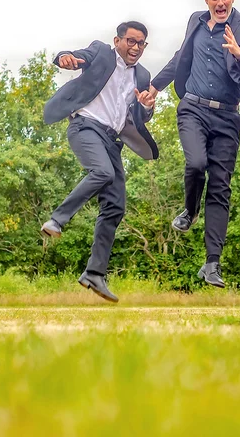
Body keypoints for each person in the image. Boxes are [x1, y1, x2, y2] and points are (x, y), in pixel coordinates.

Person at [149, 0, 240, 288]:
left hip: (227, 117)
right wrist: (154, 87)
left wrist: (239, 53)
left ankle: (212, 264)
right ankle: (189, 210)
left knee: (221, 188)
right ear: (206, 0)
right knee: (196, 164)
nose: (220, 2)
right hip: (193, 108)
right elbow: (180, 58)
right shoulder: (195, 23)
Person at [41, 21, 157, 303]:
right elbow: (79, 56)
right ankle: (57, 219)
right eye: (131, 41)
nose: (136, 48)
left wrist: (146, 106)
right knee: (102, 172)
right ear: (118, 41)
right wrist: (65, 58)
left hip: (112, 140)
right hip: (85, 127)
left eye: (141, 43)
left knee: (116, 206)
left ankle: (94, 273)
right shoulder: (103, 53)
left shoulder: (142, 75)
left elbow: (141, 117)